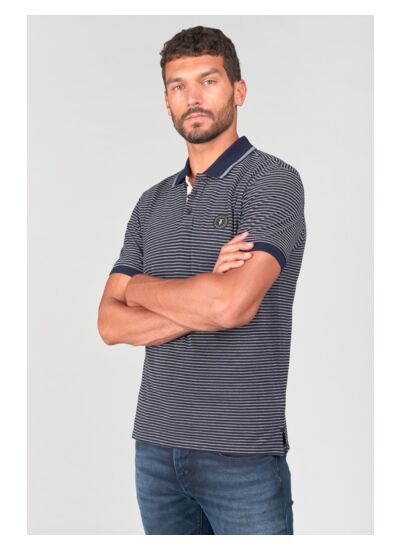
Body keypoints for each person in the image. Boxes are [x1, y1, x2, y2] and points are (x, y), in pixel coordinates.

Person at [97, 25, 306, 535]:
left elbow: (231, 307)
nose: (192, 97)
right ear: (166, 101)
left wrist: (137, 288)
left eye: (208, 81)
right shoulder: (151, 203)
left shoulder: (272, 182)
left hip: (241, 452)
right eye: (178, 86)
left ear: (238, 90)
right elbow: (109, 323)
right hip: (155, 449)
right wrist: (204, 290)